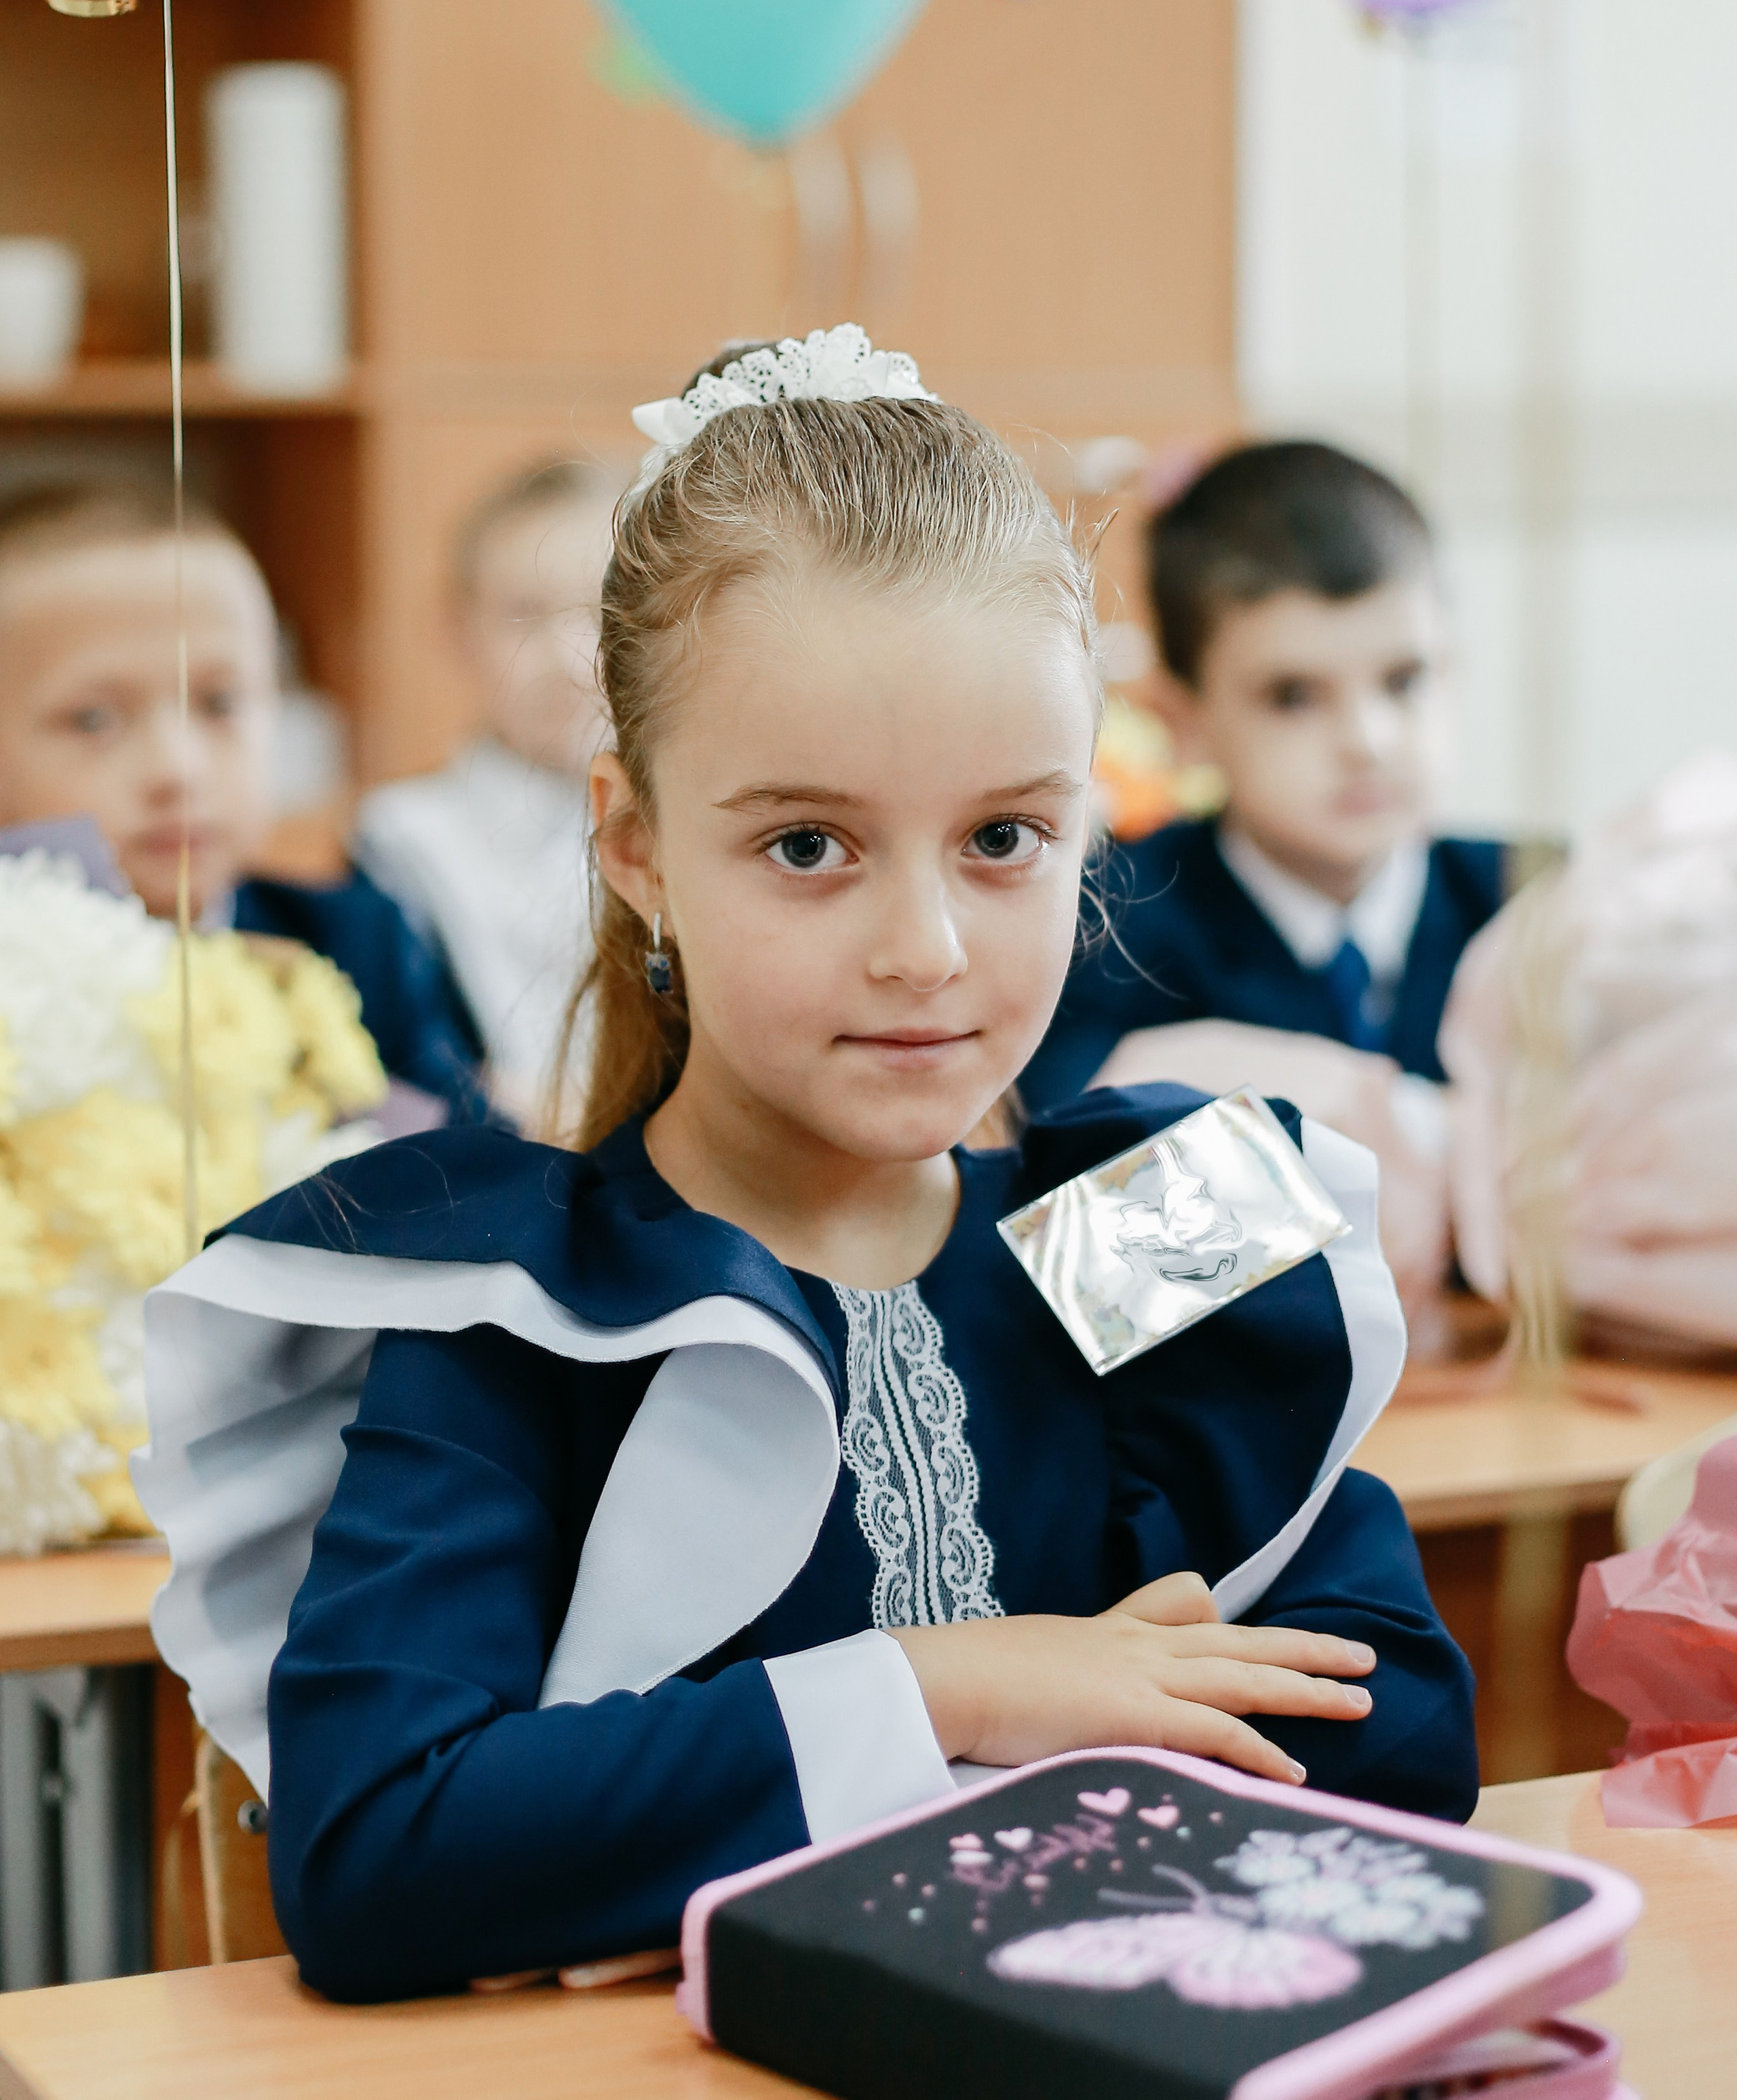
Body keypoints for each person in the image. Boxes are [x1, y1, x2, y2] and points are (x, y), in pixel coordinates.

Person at [134, 331, 1476, 2006]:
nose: (922, 949)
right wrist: (953, 1690)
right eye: (805, 845)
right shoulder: (518, 1300)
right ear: (633, 842)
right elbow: (380, 1853)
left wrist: (653, 1829)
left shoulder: (1144, 1223)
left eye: (1003, 837)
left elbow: (1400, 1736)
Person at [1021, 442, 1506, 1120]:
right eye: (1293, 696)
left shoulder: (1536, 907)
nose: (1367, 741)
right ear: (1184, 722)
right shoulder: (1102, 936)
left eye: (1404, 680)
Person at [0, 478, 490, 1120]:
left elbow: (484, 1166)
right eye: (94, 720)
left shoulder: (360, 943)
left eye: (220, 703)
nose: (179, 767)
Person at [351, 459, 615, 1123]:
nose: (567, 654)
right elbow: (422, 1082)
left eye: (603, 609)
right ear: (458, 630)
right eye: (523, 616)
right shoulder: (402, 840)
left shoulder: (698, 824)